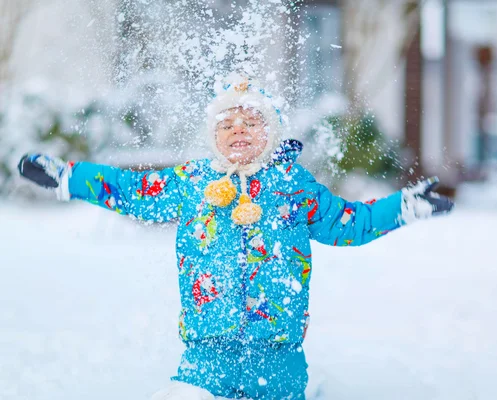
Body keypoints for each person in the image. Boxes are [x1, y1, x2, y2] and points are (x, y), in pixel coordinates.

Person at [18, 74, 454, 400]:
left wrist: (402, 208)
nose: (238, 130)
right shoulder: (192, 183)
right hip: (207, 347)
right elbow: (133, 192)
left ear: (271, 131)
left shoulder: (292, 185)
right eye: (227, 124)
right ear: (213, 136)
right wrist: (68, 178)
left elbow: (348, 224)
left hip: (278, 349)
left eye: (251, 121)